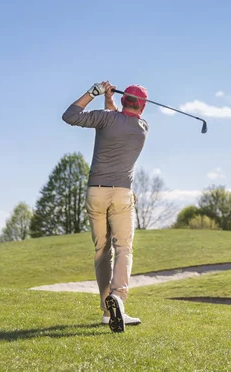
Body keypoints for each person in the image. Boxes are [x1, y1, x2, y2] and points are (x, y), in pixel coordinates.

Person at [62, 81, 149, 333]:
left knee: (102, 249)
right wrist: (109, 101)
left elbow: (70, 115)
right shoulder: (142, 127)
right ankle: (118, 299)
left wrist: (95, 93)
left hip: (95, 192)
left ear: (123, 101)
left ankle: (106, 310)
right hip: (121, 194)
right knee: (124, 248)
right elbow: (117, 118)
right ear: (142, 106)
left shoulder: (105, 119)